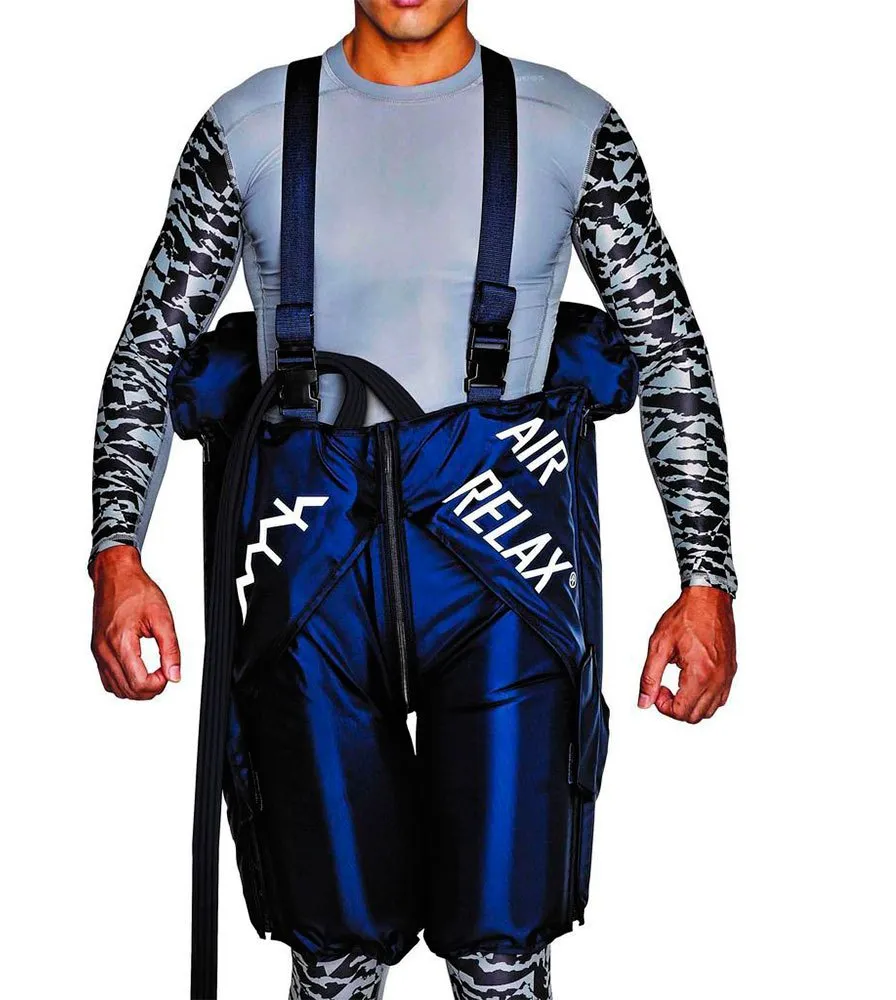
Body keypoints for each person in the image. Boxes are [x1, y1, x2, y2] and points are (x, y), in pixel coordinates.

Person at [89, 2, 738, 997]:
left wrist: (705, 580)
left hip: (505, 577)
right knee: (333, 951)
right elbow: (149, 355)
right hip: (305, 574)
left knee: (500, 950)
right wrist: (117, 555)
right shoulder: (248, 128)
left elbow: (668, 352)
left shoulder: (571, 127)